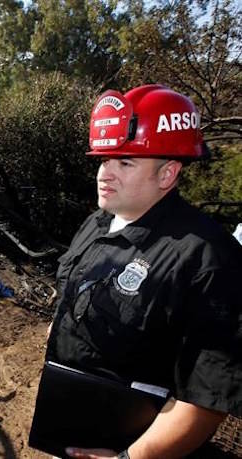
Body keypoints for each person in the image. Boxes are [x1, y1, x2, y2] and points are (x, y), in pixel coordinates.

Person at [44, 84, 242, 458]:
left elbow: (204, 400)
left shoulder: (208, 259)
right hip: (70, 425)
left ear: (167, 173)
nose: (105, 173)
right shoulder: (96, 223)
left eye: (125, 162)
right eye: (104, 160)